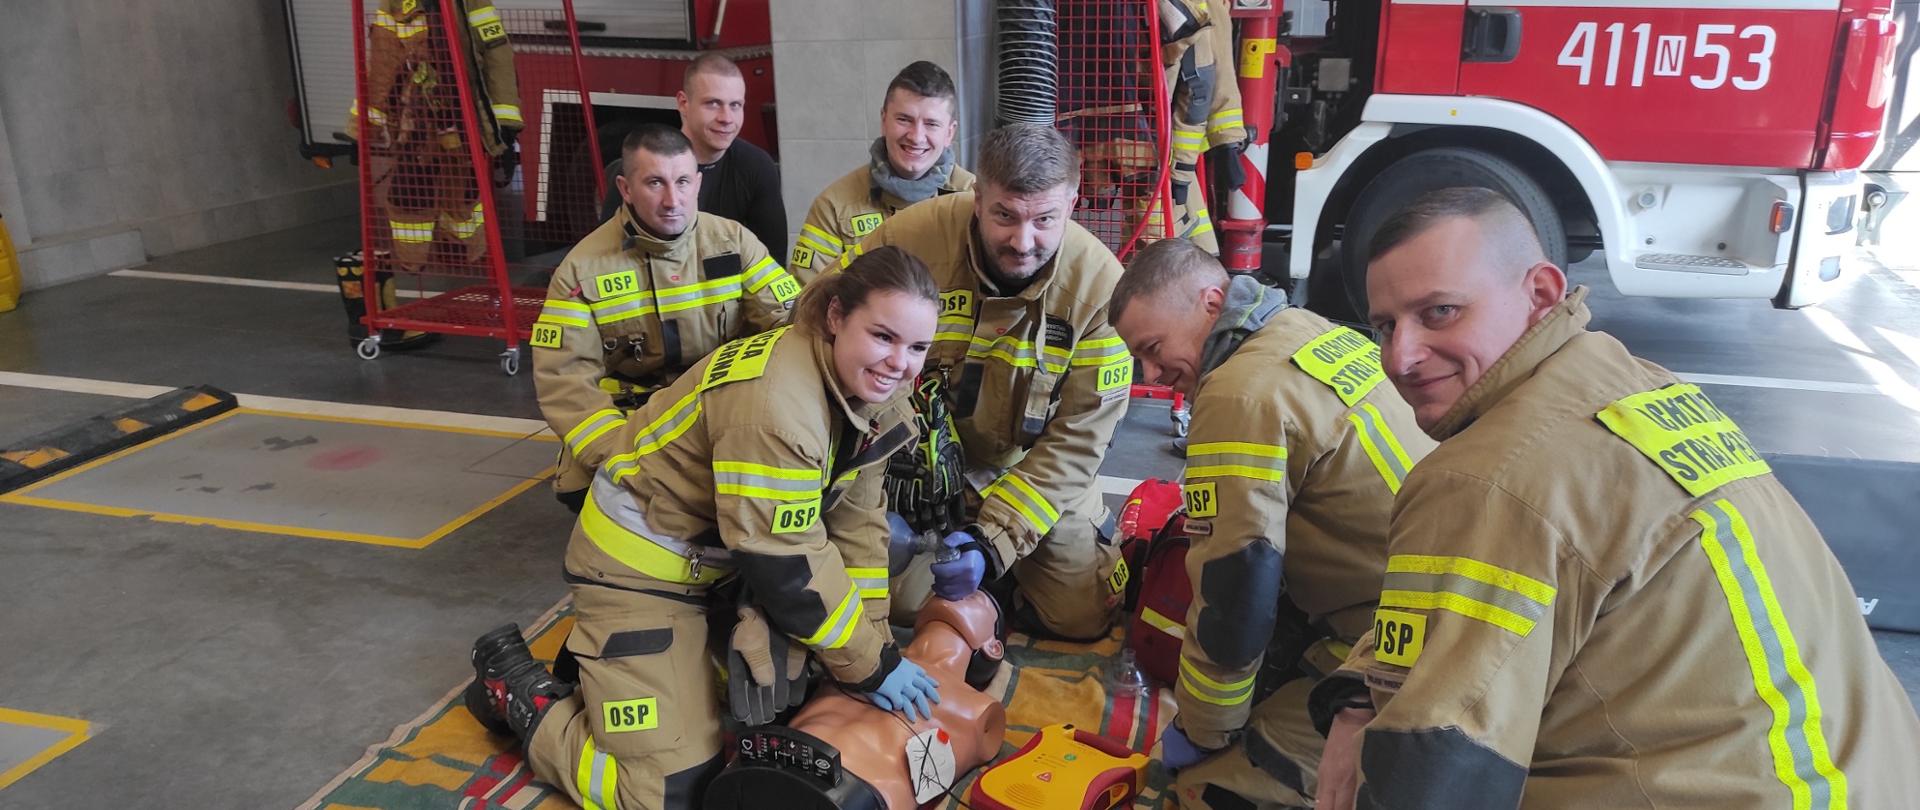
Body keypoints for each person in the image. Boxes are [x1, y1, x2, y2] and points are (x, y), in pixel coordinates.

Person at [1308, 187, 1920, 809]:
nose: (1400, 356)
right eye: (1384, 325)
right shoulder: (1633, 384)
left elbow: (1438, 768)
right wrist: (1362, 696)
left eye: (1439, 312)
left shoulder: (1486, 477)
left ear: (1541, 294)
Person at [468, 246, 946, 810]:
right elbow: (786, 561)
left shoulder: (871, 396)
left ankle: (620, 668)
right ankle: (523, 695)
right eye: (884, 336)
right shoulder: (776, 405)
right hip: (638, 572)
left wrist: (874, 647)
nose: (901, 363)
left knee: (792, 696)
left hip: (721, 564)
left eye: (917, 347)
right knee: (670, 793)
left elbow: (858, 528)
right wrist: (869, 665)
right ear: (837, 317)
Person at [1107, 238, 1432, 809]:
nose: (1154, 374)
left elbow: (1237, 589)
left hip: (1398, 641)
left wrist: (1205, 731)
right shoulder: (1304, 327)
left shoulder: (1237, 393)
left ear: (1212, 303)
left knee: (1207, 793)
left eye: (1154, 349)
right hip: (1432, 592)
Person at [845, 124, 1134, 641]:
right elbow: (825, 328)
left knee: (1083, 617)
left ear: (1072, 202)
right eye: (1004, 215)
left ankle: (1003, 577)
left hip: (1032, 471)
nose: (1022, 242)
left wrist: (991, 541)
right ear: (977, 198)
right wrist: (866, 472)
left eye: (1044, 220)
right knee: (901, 607)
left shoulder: (1102, 289)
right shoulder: (905, 242)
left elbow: (1077, 443)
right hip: (915, 471)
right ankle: (990, 585)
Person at [533, 124, 799, 512]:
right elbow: (565, 381)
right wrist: (621, 460)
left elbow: (791, 324)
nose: (673, 199)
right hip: (631, 418)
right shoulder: (581, 271)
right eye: (655, 183)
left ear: (698, 183)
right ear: (625, 189)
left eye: (684, 181)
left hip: (722, 406)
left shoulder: (734, 242)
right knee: (584, 490)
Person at [790, 61, 975, 284]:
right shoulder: (834, 206)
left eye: (931, 124)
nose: (916, 137)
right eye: (904, 119)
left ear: (949, 133)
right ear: (884, 120)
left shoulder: (975, 200)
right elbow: (808, 303)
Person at [601, 54, 787, 257]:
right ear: (683, 103)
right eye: (713, 104)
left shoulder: (758, 167)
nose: (726, 118)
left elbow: (773, 262)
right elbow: (605, 256)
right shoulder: (640, 166)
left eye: (735, 105)